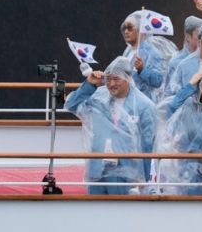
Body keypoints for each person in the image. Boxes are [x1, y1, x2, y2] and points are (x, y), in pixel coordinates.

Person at [64, 56, 156, 195]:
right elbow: (71, 105)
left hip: (126, 173)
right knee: (96, 214)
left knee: (122, 214)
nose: (111, 84)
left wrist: (143, 177)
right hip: (97, 169)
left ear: (128, 79)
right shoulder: (98, 95)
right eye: (108, 79)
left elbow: (147, 144)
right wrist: (89, 84)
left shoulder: (144, 106)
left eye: (116, 79)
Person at [120, 11, 165, 101]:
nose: (126, 31)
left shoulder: (152, 52)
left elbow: (158, 81)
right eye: (125, 28)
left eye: (130, 28)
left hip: (143, 103)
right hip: (127, 102)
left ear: (141, 30)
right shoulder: (128, 51)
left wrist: (142, 70)